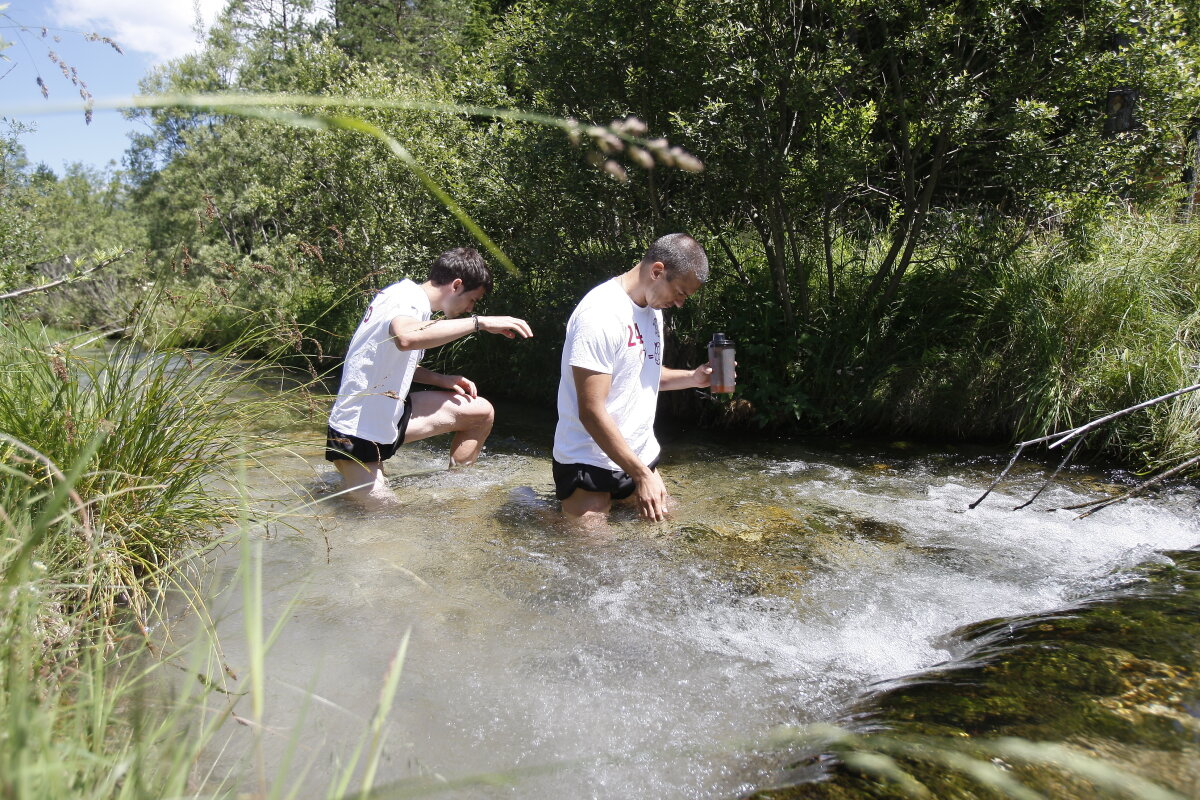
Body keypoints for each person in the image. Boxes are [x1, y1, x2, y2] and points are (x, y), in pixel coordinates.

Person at [326, 247, 533, 504]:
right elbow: (406, 337)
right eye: (473, 300)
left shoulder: (413, 302)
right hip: (357, 428)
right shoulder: (406, 299)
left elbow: (395, 359)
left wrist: (442, 380)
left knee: (479, 413)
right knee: (385, 512)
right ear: (457, 285)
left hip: (389, 413)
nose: (470, 308)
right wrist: (480, 322)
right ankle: (346, 486)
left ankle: (457, 492)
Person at [552, 233, 712, 522]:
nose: (679, 304)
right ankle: (536, 514)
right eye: (680, 293)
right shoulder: (599, 315)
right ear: (657, 271)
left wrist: (694, 378)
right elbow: (590, 410)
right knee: (592, 556)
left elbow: (644, 375)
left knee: (669, 535)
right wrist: (642, 475)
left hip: (637, 455)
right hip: (588, 459)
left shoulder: (652, 308)